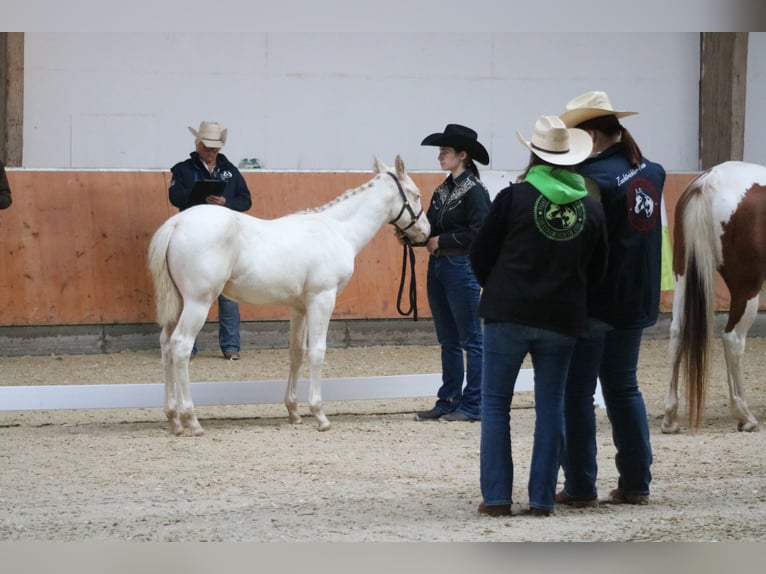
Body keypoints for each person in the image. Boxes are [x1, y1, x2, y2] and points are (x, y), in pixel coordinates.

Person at [469, 115, 608, 517]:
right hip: (561, 320)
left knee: (496, 406)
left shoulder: (513, 198)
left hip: (507, 314)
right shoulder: (592, 209)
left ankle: (496, 497)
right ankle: (542, 498)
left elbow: (481, 253)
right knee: (552, 407)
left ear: (535, 154)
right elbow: (599, 271)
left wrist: (495, 287)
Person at [555, 91, 666, 508]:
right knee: (623, 388)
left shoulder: (588, 181)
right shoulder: (651, 172)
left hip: (596, 300)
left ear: (590, 135)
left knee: (576, 393)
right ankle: (636, 481)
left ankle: (581, 486)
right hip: (636, 297)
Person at [411, 124, 491, 422]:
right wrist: (413, 235)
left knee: (471, 339)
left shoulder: (475, 192)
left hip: (461, 266)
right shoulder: (443, 190)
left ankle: (474, 404)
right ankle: (448, 400)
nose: (440, 157)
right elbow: (431, 226)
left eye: (445, 152)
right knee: (448, 339)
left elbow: (480, 232)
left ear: (462, 155)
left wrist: (441, 241)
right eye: (441, 152)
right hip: (440, 267)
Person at [169, 121, 253, 360]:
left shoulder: (231, 170)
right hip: (194, 237)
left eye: (215, 148)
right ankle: (188, 346)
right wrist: (200, 197)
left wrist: (227, 203)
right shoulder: (182, 170)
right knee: (190, 293)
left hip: (224, 238)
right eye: (208, 147)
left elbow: (246, 200)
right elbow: (175, 197)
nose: (212, 151)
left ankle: (231, 347)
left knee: (228, 294)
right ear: (198, 145)